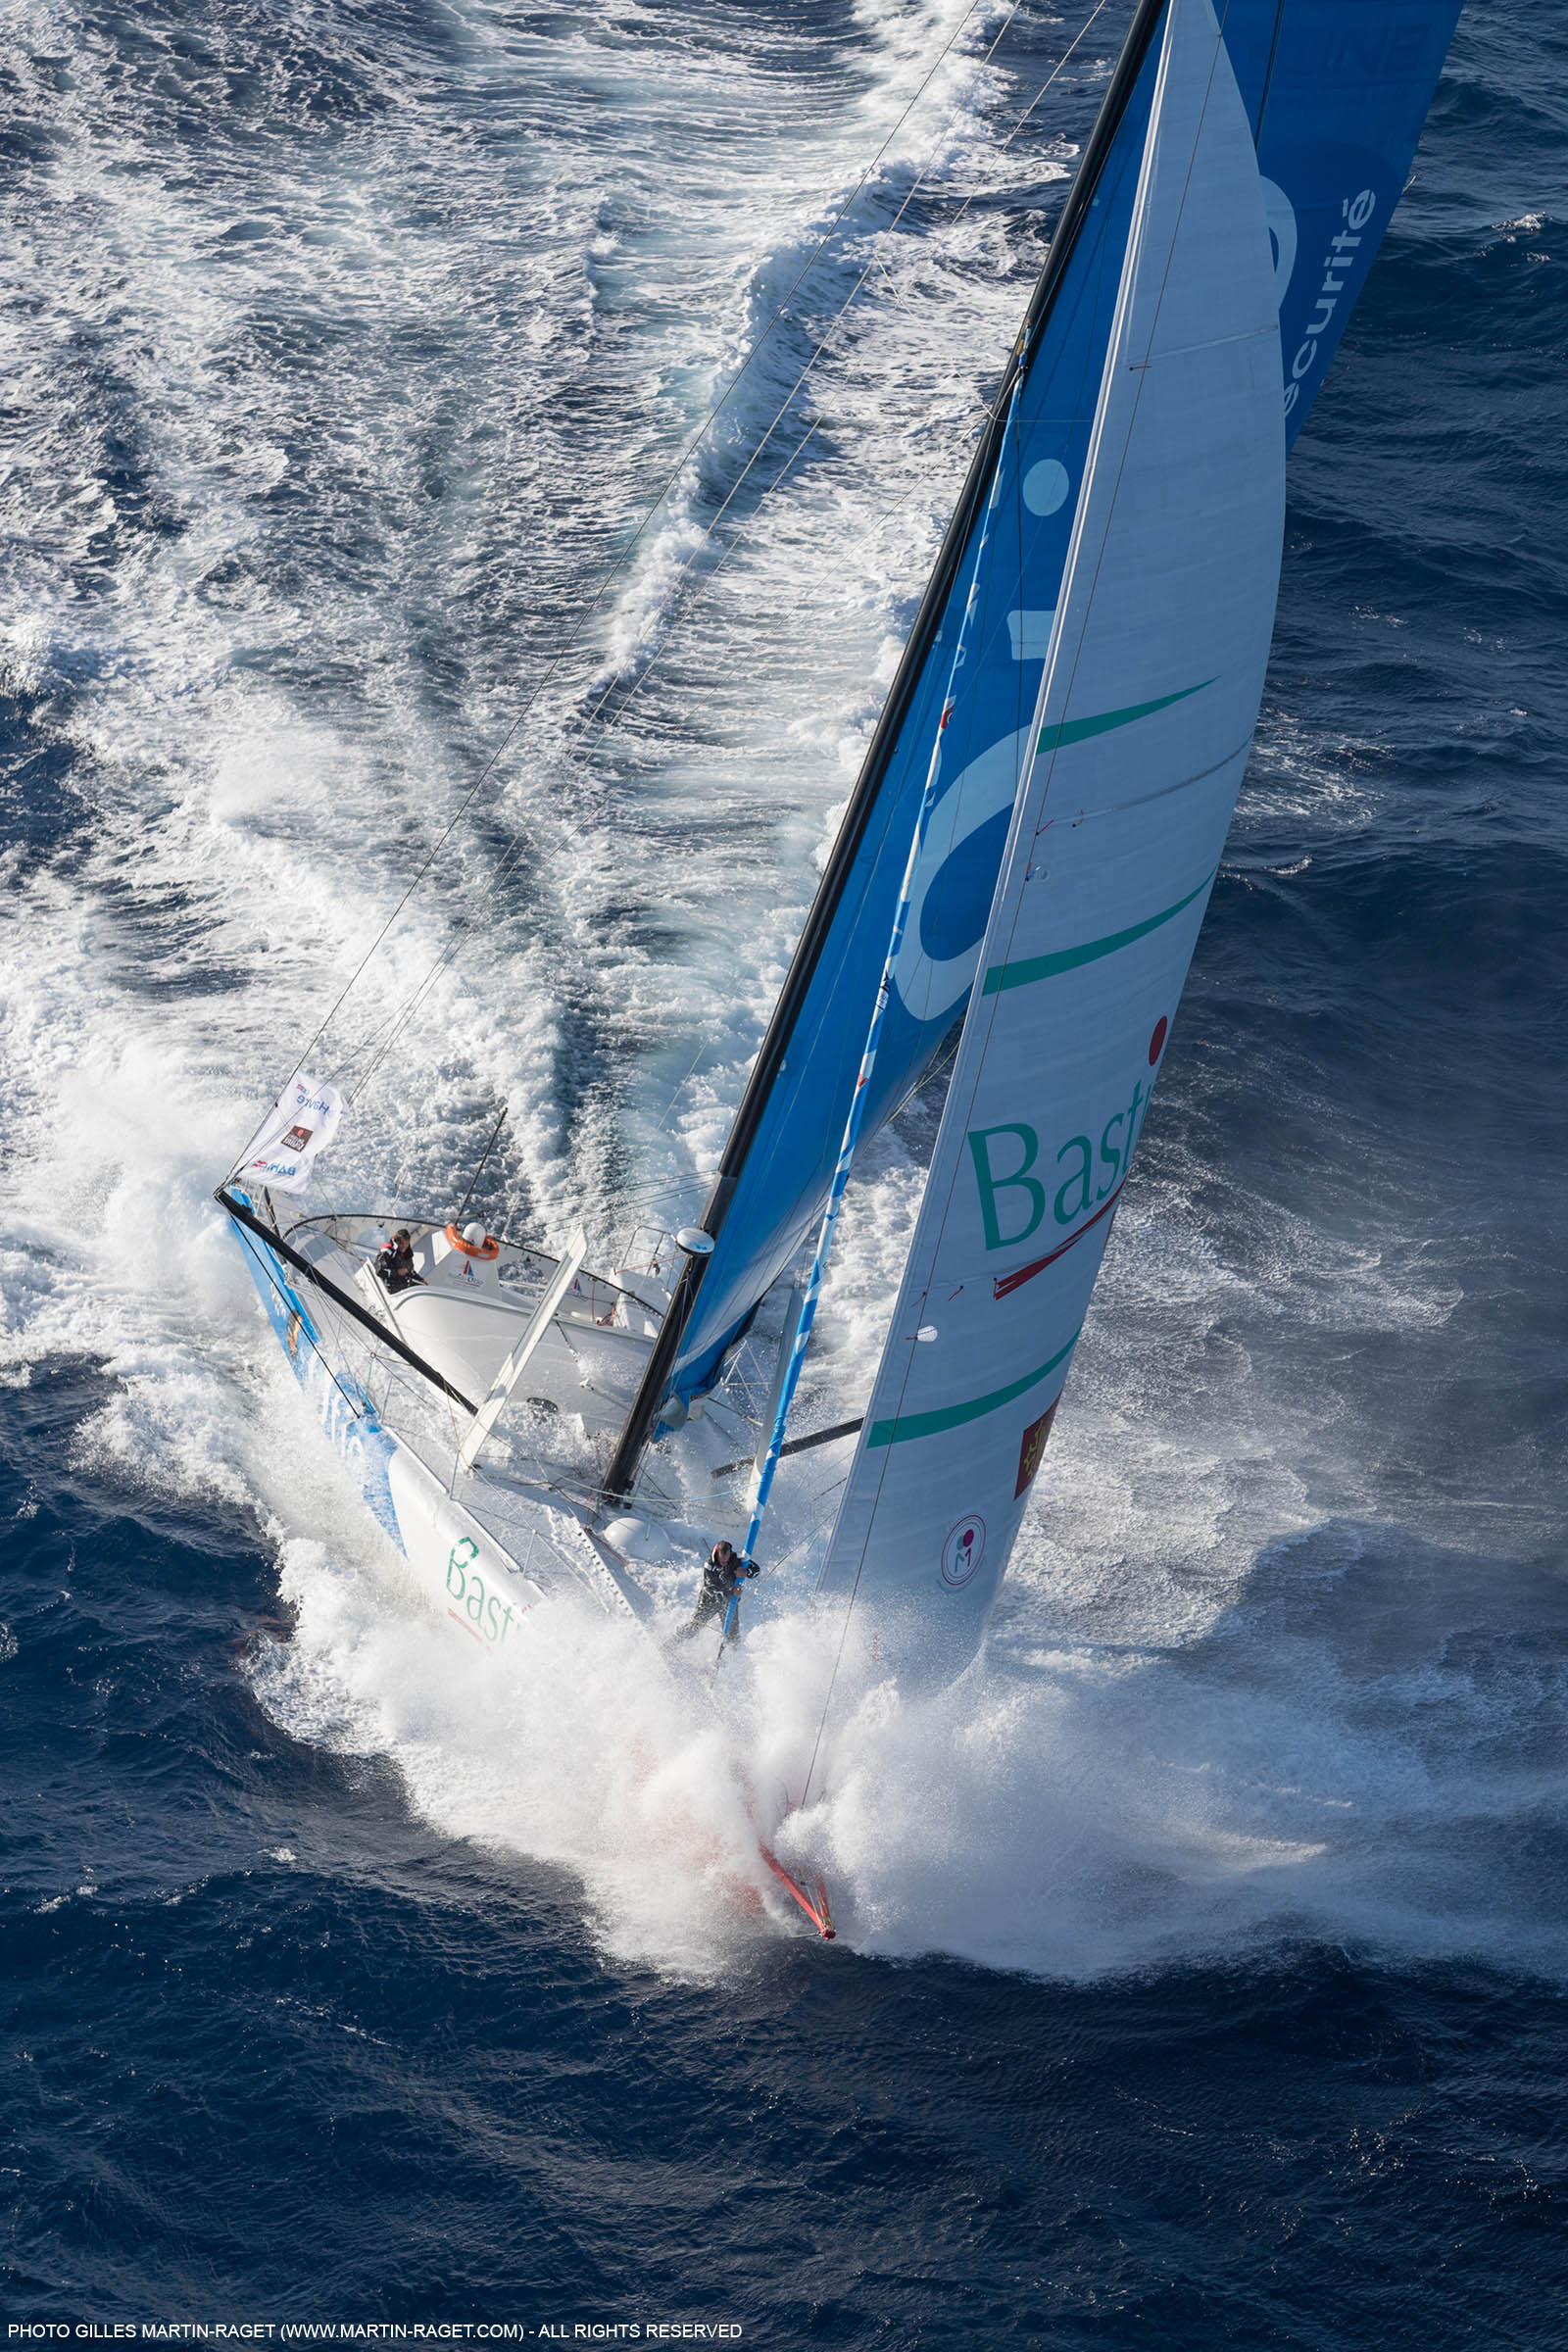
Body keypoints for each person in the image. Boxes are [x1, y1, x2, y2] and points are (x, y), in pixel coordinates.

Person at [681, 1540, 759, 1642]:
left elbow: (756, 1570)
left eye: (727, 1559)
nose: (725, 1562)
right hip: (709, 1601)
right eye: (722, 1560)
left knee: (733, 1636)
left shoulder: (738, 1559)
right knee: (694, 1626)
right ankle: (669, 1646)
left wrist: (746, 1572)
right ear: (717, 1554)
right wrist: (732, 1592)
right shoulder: (709, 1565)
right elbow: (711, 1588)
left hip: (730, 1602)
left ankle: (733, 1656)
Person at [374, 1227, 423, 1295]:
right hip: (393, 1292)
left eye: (406, 1243)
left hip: (406, 1288)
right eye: (401, 1243)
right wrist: (397, 1272)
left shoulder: (407, 1253)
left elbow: (410, 1271)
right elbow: (379, 1270)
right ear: (397, 1242)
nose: (404, 1246)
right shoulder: (387, 1251)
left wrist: (420, 1280)